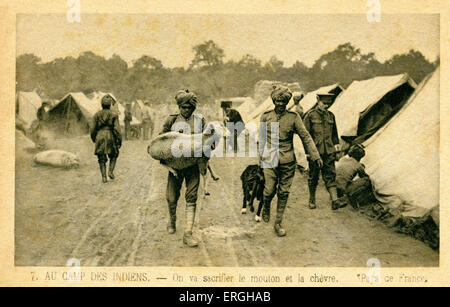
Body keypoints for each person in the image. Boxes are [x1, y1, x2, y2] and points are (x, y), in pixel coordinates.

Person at [259, 86, 322, 237]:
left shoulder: (293, 117)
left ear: (287, 102)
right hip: (269, 159)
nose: (280, 104)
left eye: (283, 101)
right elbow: (261, 140)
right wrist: (260, 160)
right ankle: (266, 205)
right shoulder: (266, 116)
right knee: (269, 190)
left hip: (287, 161)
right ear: (274, 100)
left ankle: (278, 222)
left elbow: (305, 136)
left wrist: (315, 155)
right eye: (277, 101)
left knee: (284, 191)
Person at [160, 89, 206, 247]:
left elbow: (207, 141)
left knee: (191, 197)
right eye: (183, 107)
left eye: (189, 108)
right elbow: (161, 143)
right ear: (179, 107)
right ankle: (172, 220)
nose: (186, 110)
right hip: (175, 166)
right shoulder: (171, 121)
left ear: (194, 108)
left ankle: (188, 233)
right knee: (171, 197)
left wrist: (204, 160)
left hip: (192, 165)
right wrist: (166, 164)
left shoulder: (200, 121)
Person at [303, 93, 340, 210]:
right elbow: (305, 137)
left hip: (329, 151)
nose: (326, 106)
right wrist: (308, 152)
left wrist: (336, 146)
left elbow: (334, 134)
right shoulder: (310, 116)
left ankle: (335, 201)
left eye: (328, 104)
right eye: (324, 103)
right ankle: (312, 199)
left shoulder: (331, 116)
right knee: (313, 176)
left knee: (330, 175)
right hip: (315, 152)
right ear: (318, 101)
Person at [90, 95, 122, 183]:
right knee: (114, 154)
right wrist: (119, 140)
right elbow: (117, 129)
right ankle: (110, 171)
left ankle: (104, 177)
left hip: (99, 136)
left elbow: (92, 129)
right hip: (110, 136)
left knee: (101, 158)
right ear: (110, 105)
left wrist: (94, 138)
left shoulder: (96, 115)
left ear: (101, 104)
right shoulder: (114, 115)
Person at [335, 144, 371, 209]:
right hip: (343, 188)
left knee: (344, 178)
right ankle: (353, 196)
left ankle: (338, 195)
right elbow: (363, 176)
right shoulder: (358, 165)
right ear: (359, 157)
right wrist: (362, 167)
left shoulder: (343, 159)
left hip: (334, 186)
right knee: (367, 180)